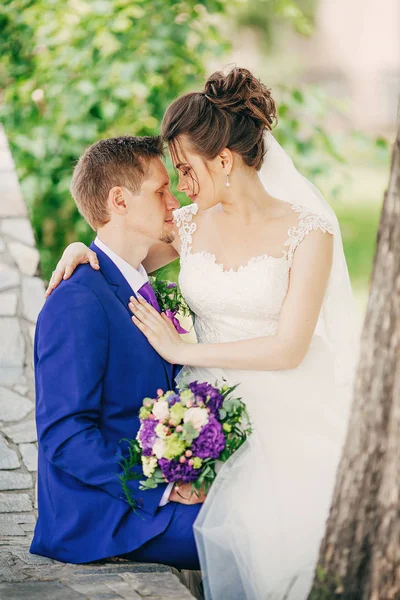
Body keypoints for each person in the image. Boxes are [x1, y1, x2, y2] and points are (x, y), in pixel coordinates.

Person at [47, 68, 359, 599]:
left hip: (284, 404)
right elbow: (122, 250)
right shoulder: (190, 226)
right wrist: (79, 250)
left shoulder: (310, 233)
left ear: (223, 160)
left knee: (289, 536)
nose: (181, 187)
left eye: (186, 170)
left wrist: (181, 348)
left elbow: (290, 347)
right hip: (202, 408)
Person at [31, 135, 206, 570]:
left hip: (155, 490)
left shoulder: (131, 279)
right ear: (119, 201)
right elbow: (65, 436)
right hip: (107, 516)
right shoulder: (77, 300)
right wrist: (164, 484)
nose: (174, 200)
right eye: (161, 191)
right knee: (247, 536)